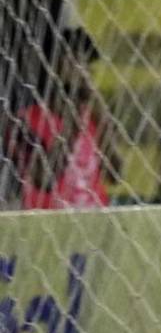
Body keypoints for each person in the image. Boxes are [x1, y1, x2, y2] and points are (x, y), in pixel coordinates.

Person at [10, 27, 121, 210]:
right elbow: (44, 180)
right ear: (53, 69)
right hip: (49, 227)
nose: (84, 73)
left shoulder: (94, 116)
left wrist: (99, 111)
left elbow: (115, 175)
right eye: (74, 64)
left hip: (94, 223)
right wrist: (72, 124)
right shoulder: (25, 121)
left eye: (87, 66)